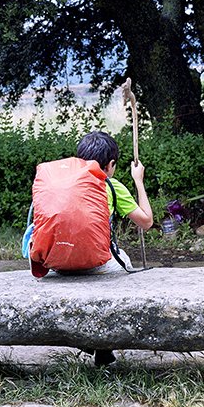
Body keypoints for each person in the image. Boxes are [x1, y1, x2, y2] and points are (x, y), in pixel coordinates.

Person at [74, 130, 153, 366]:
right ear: (110, 165)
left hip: (58, 264)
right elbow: (147, 221)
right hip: (96, 264)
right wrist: (138, 181)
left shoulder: (62, 183)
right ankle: (103, 349)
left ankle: (95, 344)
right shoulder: (111, 185)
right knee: (122, 264)